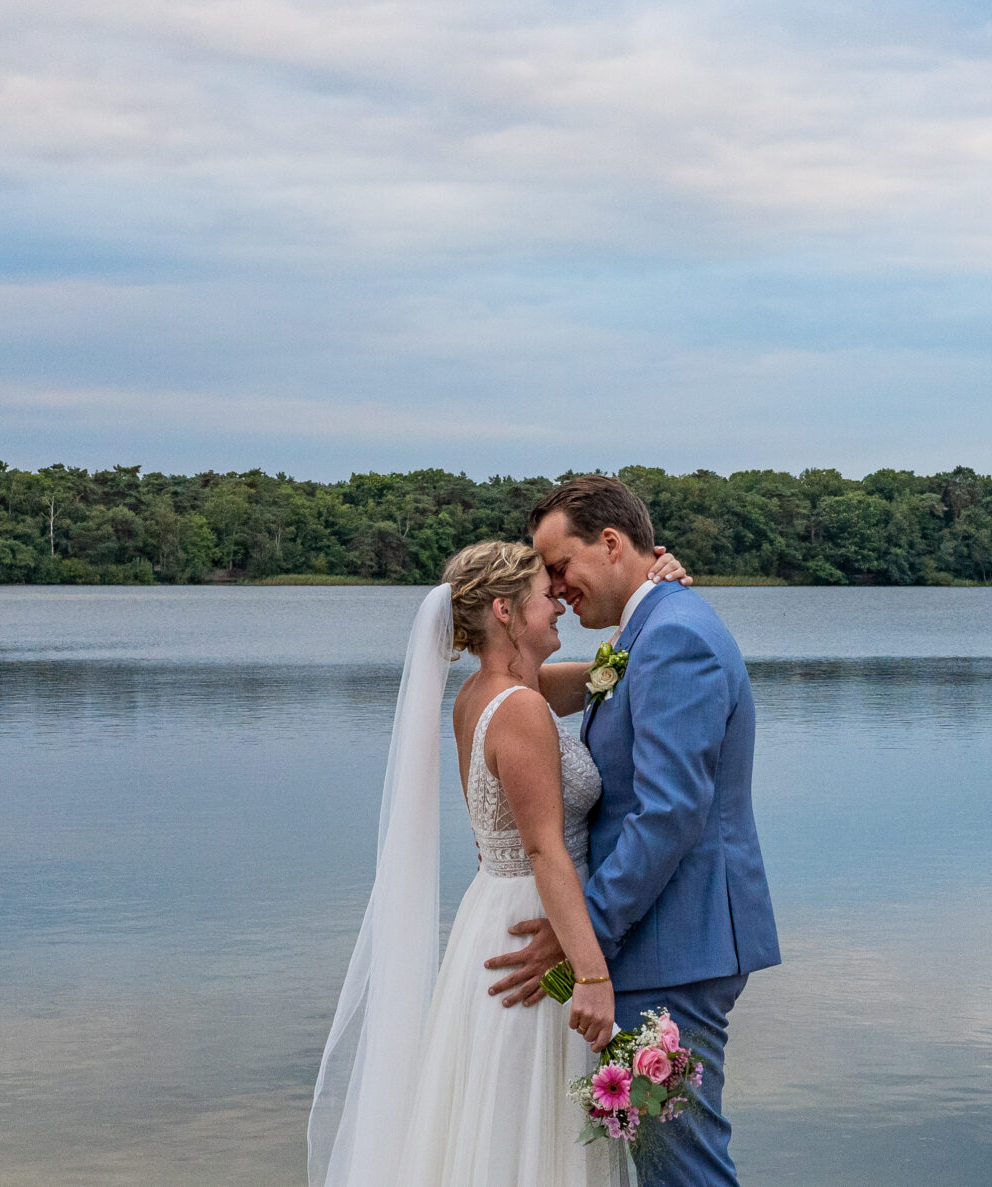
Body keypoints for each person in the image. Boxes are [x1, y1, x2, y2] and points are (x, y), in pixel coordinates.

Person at [309, 536, 692, 1187]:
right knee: (526, 1118)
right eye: (547, 598)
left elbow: (600, 676)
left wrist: (657, 599)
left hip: (495, 910)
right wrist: (592, 975)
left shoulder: (489, 692)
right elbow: (545, 847)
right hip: (534, 924)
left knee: (498, 1113)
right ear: (506, 610)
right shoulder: (517, 710)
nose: (560, 610)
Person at [488, 476, 779, 1187]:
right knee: (663, 1166)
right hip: (661, 942)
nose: (556, 588)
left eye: (561, 565)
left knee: (684, 1170)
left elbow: (670, 812)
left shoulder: (674, 635)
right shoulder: (646, 629)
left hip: (676, 944)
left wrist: (581, 932)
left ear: (611, 543)